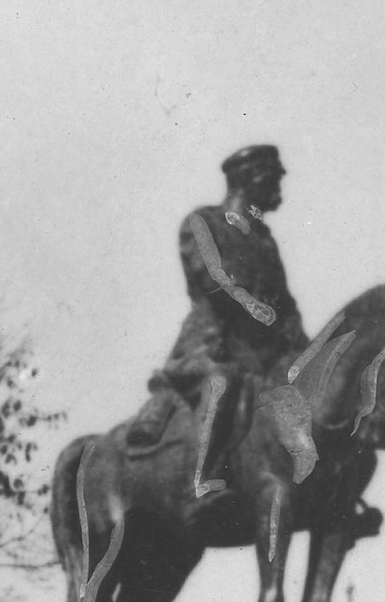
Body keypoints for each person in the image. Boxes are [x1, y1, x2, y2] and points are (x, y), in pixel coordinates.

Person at [125, 143, 310, 500]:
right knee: (222, 385)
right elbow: (214, 281)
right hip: (215, 345)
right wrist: (257, 310)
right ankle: (201, 479)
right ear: (249, 180)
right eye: (272, 179)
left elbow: (285, 301)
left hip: (265, 351)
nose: (277, 188)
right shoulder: (203, 223)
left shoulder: (264, 240)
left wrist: (301, 340)